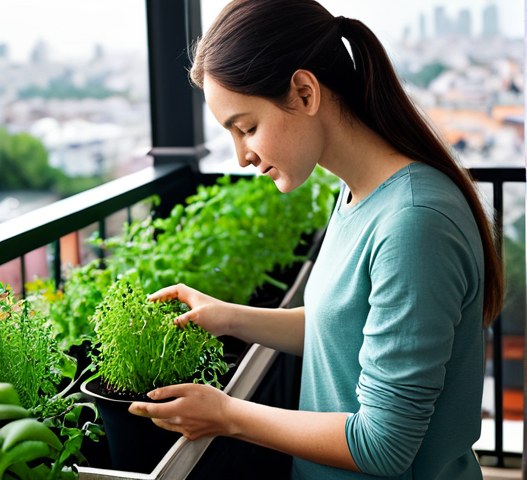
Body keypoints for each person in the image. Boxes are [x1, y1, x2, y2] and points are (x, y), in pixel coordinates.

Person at [127, 1, 503, 479]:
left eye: (247, 128)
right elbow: (343, 331)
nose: (242, 155)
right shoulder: (356, 191)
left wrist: (226, 415)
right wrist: (228, 318)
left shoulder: (414, 223)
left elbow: (382, 445)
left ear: (305, 92)